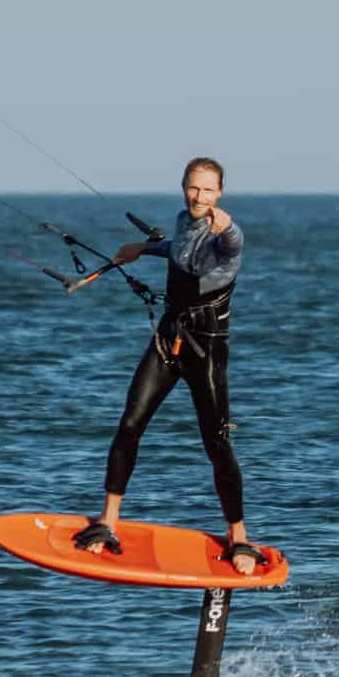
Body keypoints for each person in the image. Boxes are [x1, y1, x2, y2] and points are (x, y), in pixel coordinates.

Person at [73, 157, 263, 575]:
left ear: (220, 194)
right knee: (130, 423)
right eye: (194, 188)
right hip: (167, 338)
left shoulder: (226, 233)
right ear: (183, 187)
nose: (200, 197)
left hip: (206, 350)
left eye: (209, 190)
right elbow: (179, 248)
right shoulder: (183, 219)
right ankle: (108, 521)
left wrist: (225, 226)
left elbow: (226, 241)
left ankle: (239, 537)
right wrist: (142, 249)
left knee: (217, 444)